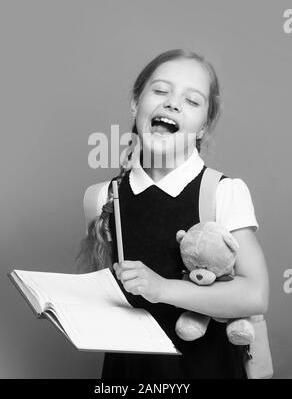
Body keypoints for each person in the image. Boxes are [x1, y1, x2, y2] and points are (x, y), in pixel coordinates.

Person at [78, 49, 269, 379]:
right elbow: (106, 294)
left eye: (192, 100)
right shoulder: (101, 197)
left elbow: (255, 294)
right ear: (135, 104)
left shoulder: (222, 191)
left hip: (207, 369)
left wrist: (161, 288)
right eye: (161, 91)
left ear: (202, 127)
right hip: (127, 375)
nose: (173, 103)